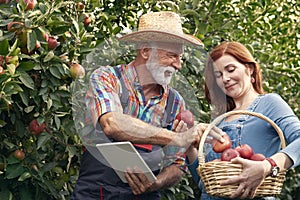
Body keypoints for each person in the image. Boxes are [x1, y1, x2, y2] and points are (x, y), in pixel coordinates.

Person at [71, 11, 223, 200]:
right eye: (172, 56)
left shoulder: (175, 103)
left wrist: (157, 183)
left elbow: (176, 164)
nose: (178, 65)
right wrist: (177, 137)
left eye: (180, 57)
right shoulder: (107, 78)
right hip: (96, 193)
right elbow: (112, 124)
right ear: (145, 51)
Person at [186, 41, 300, 200]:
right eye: (218, 75)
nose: (225, 78)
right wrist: (190, 147)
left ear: (250, 69)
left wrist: (269, 165)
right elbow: (205, 183)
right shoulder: (219, 121)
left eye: (230, 69)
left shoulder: (269, 104)